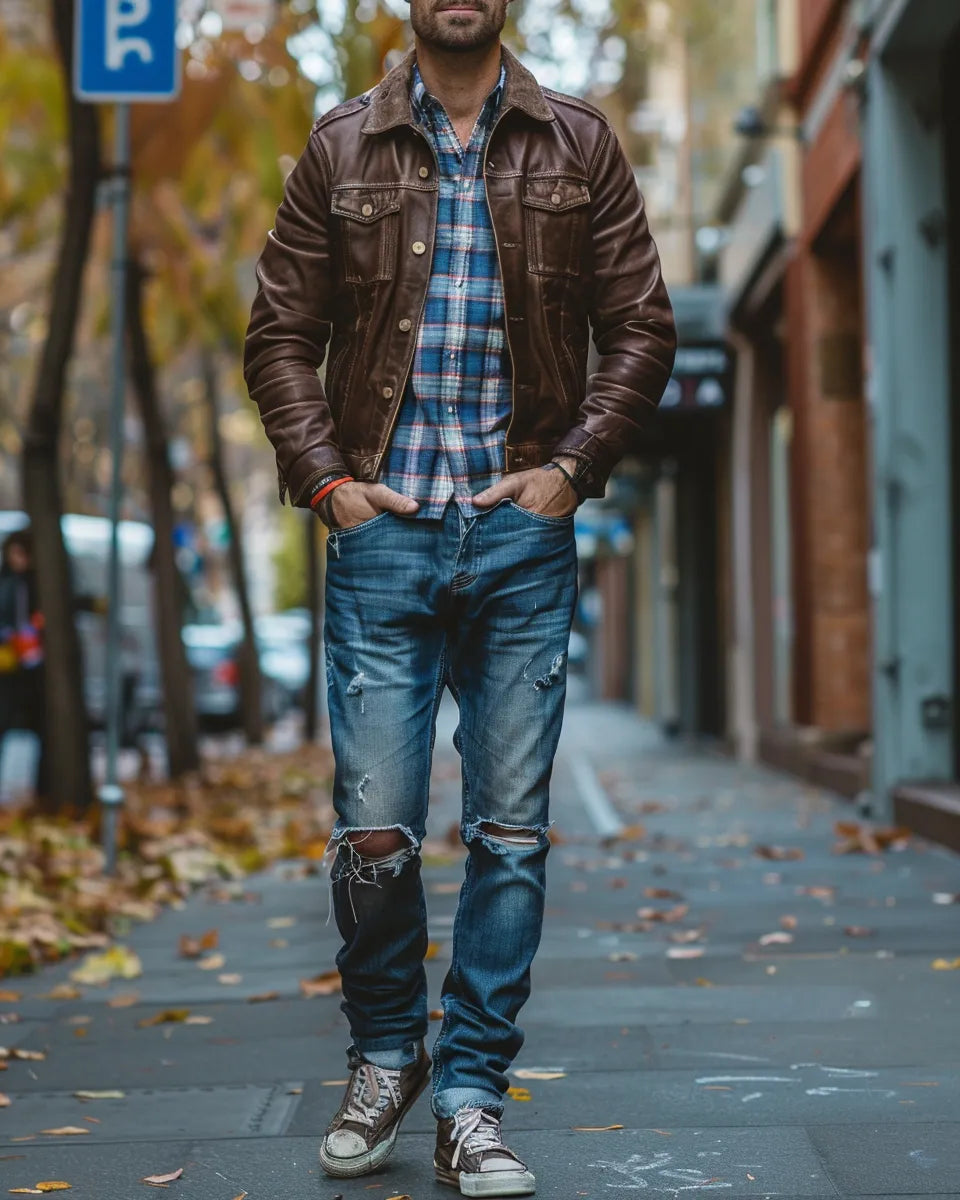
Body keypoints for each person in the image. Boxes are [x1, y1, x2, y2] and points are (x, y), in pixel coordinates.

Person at [244, 0, 675, 1192]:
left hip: (519, 536)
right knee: (376, 833)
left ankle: (474, 1094)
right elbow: (280, 333)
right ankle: (387, 1058)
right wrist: (327, 482)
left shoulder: (577, 144)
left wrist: (571, 471)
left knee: (511, 836)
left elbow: (641, 326)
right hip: (382, 531)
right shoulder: (342, 146)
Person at [0, 530, 48, 801]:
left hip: (32, 667)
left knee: (41, 729)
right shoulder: (6, 583)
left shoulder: (35, 585)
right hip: (7, 670)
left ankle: (40, 789)